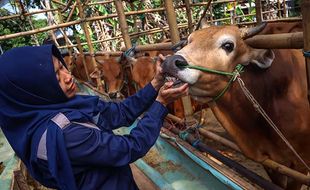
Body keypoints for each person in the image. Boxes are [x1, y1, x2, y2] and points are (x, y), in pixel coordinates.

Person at [0, 45, 189, 190]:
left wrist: (155, 83)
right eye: (56, 76)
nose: (69, 76)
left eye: (62, 67)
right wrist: (161, 104)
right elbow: (129, 148)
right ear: (34, 89)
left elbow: (120, 112)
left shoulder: (66, 108)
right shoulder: (65, 133)